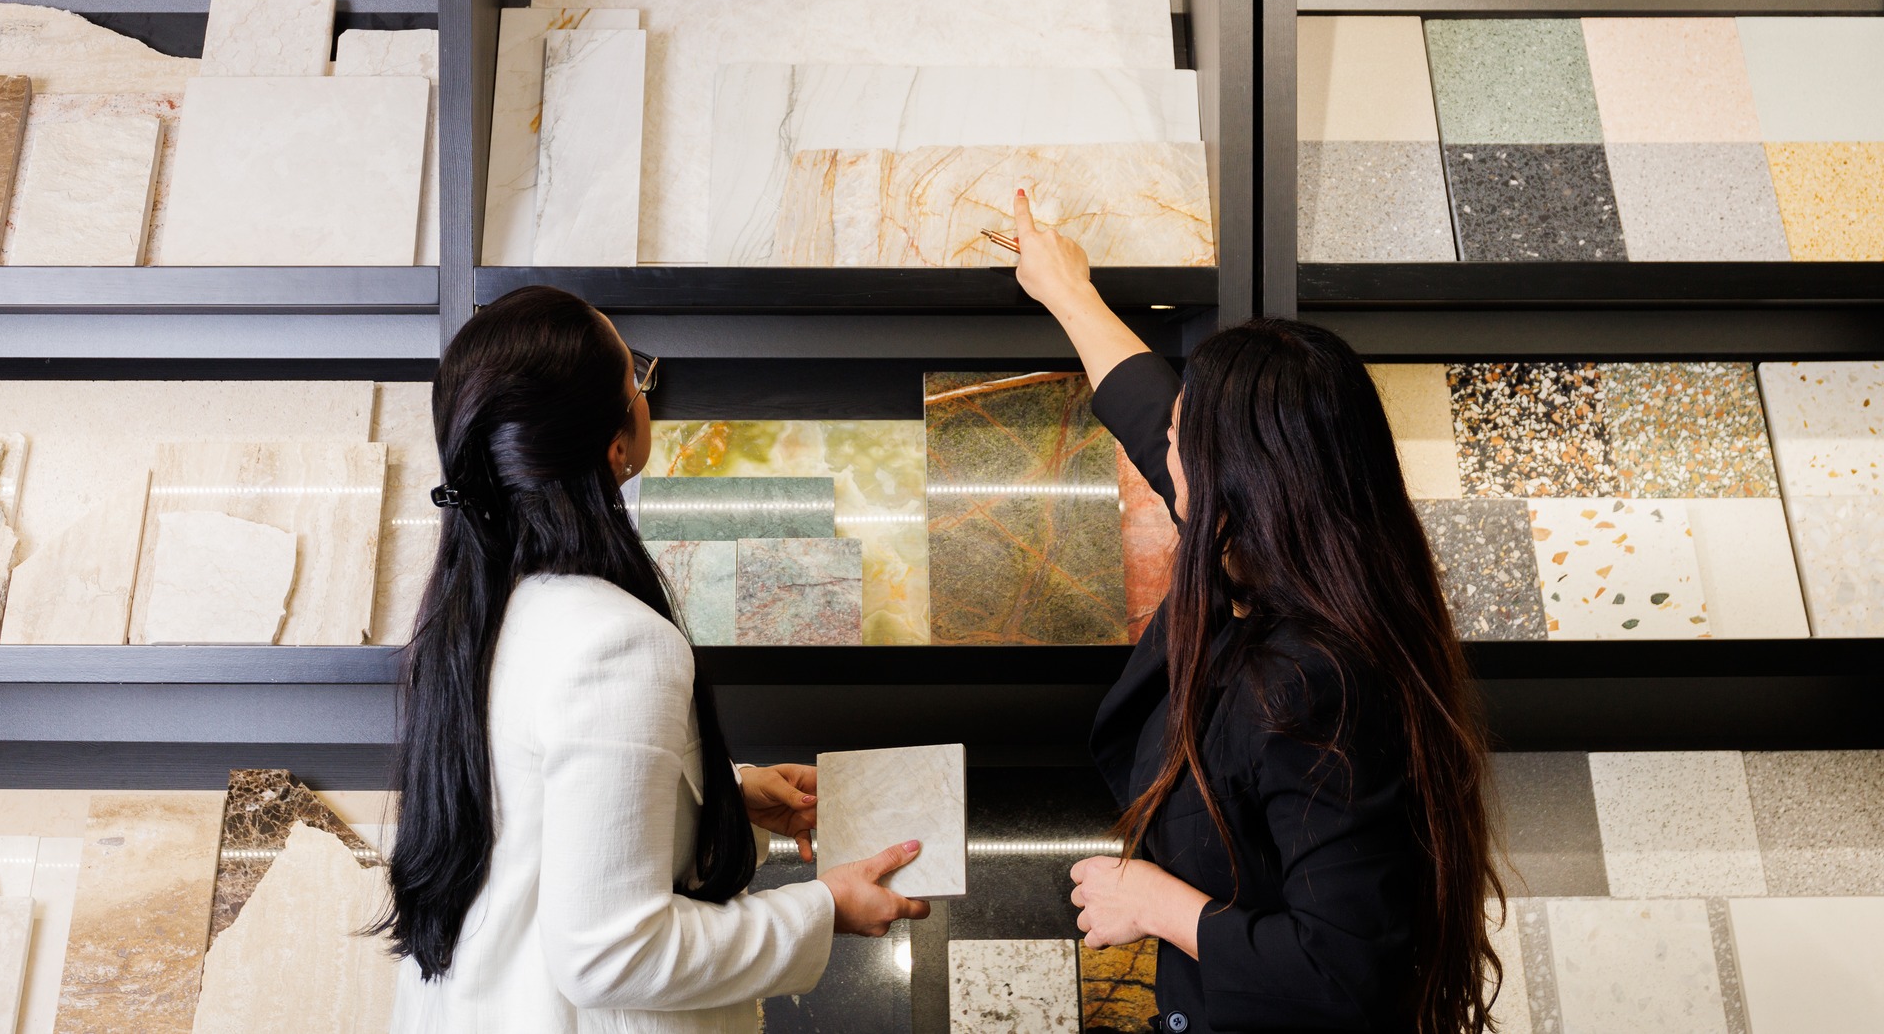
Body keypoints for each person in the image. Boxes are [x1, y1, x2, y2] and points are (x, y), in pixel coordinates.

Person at [1006, 193, 1504, 1034]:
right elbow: (1150, 418)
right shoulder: (1281, 557)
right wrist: (1068, 291)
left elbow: (1346, 972)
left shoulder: (1314, 684)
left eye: (1184, 439)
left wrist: (1158, 904)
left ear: (1240, 488)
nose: (1165, 442)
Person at [381, 285, 930, 1034]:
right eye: (634, 378)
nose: (645, 395)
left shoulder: (477, 619)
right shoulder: (616, 641)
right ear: (618, 444)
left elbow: (536, 819)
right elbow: (609, 952)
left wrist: (722, 803)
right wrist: (822, 907)